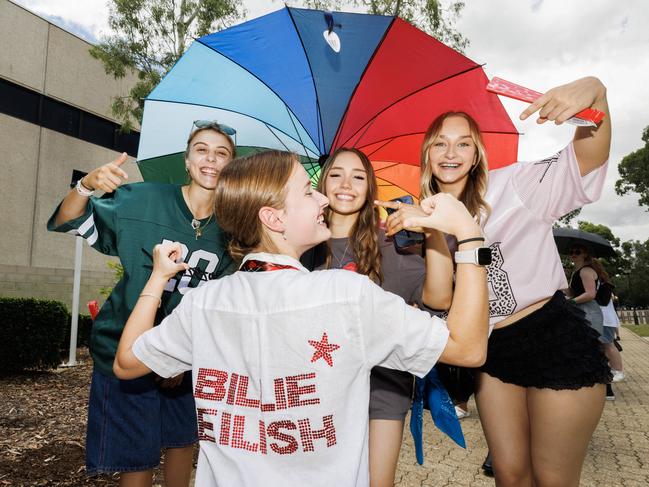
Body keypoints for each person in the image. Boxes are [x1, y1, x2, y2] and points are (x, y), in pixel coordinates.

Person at [112, 149, 490, 486]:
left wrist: (158, 279)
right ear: (273, 218)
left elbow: (127, 363)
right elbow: (469, 349)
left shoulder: (204, 302)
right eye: (308, 192)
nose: (323, 196)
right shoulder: (347, 295)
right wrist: (469, 236)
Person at [382, 77, 612, 487]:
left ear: (476, 155)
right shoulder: (424, 218)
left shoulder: (515, 185)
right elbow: (440, 299)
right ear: (427, 155)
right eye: (439, 143)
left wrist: (596, 91)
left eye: (463, 143)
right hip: (492, 351)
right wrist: (434, 230)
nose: (450, 152)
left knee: (552, 477)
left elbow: (588, 157)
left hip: (551, 336)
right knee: (509, 474)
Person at [47, 121, 237, 487]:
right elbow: (69, 219)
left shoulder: (234, 229)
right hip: (125, 345)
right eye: (201, 149)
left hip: (188, 356)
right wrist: (85, 186)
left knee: (184, 443)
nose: (210, 159)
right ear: (186, 159)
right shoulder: (142, 199)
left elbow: (223, 307)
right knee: (139, 458)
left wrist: (185, 357)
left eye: (221, 152)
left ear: (232, 164)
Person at [309, 148, 453, 486]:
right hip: (316, 388)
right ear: (321, 183)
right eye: (336, 174)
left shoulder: (388, 244)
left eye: (358, 176)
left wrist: (432, 231)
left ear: (370, 188)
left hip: (382, 386)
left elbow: (438, 298)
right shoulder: (301, 242)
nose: (346, 183)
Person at [567, 245, 604, 337]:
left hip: (589, 310)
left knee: (591, 344)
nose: (574, 254)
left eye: (577, 252)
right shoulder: (576, 272)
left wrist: (570, 302)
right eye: (571, 252)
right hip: (579, 309)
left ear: (585, 254)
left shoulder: (586, 271)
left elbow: (590, 294)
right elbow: (572, 293)